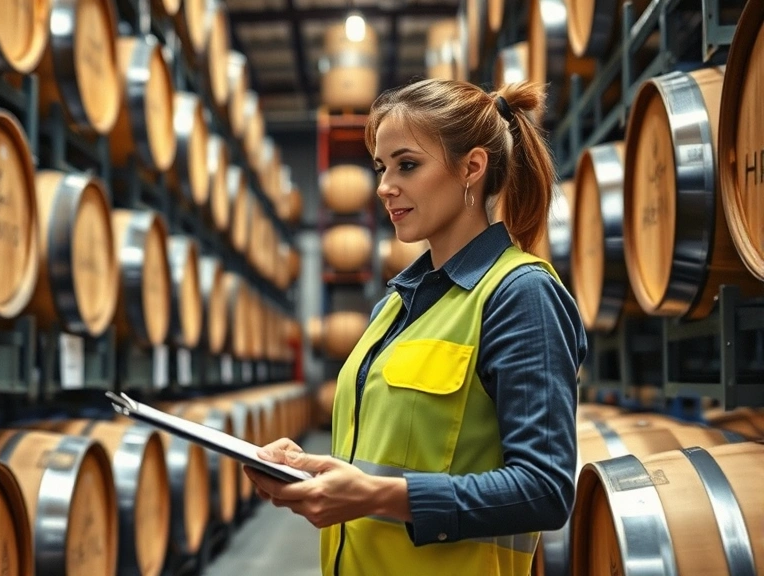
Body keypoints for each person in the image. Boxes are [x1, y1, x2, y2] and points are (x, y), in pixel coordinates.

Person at [244, 79, 588, 576]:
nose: (384, 186)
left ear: (472, 167)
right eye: (381, 168)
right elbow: (392, 452)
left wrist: (377, 495)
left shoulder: (520, 294)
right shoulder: (395, 303)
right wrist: (309, 466)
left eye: (407, 165)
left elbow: (545, 489)